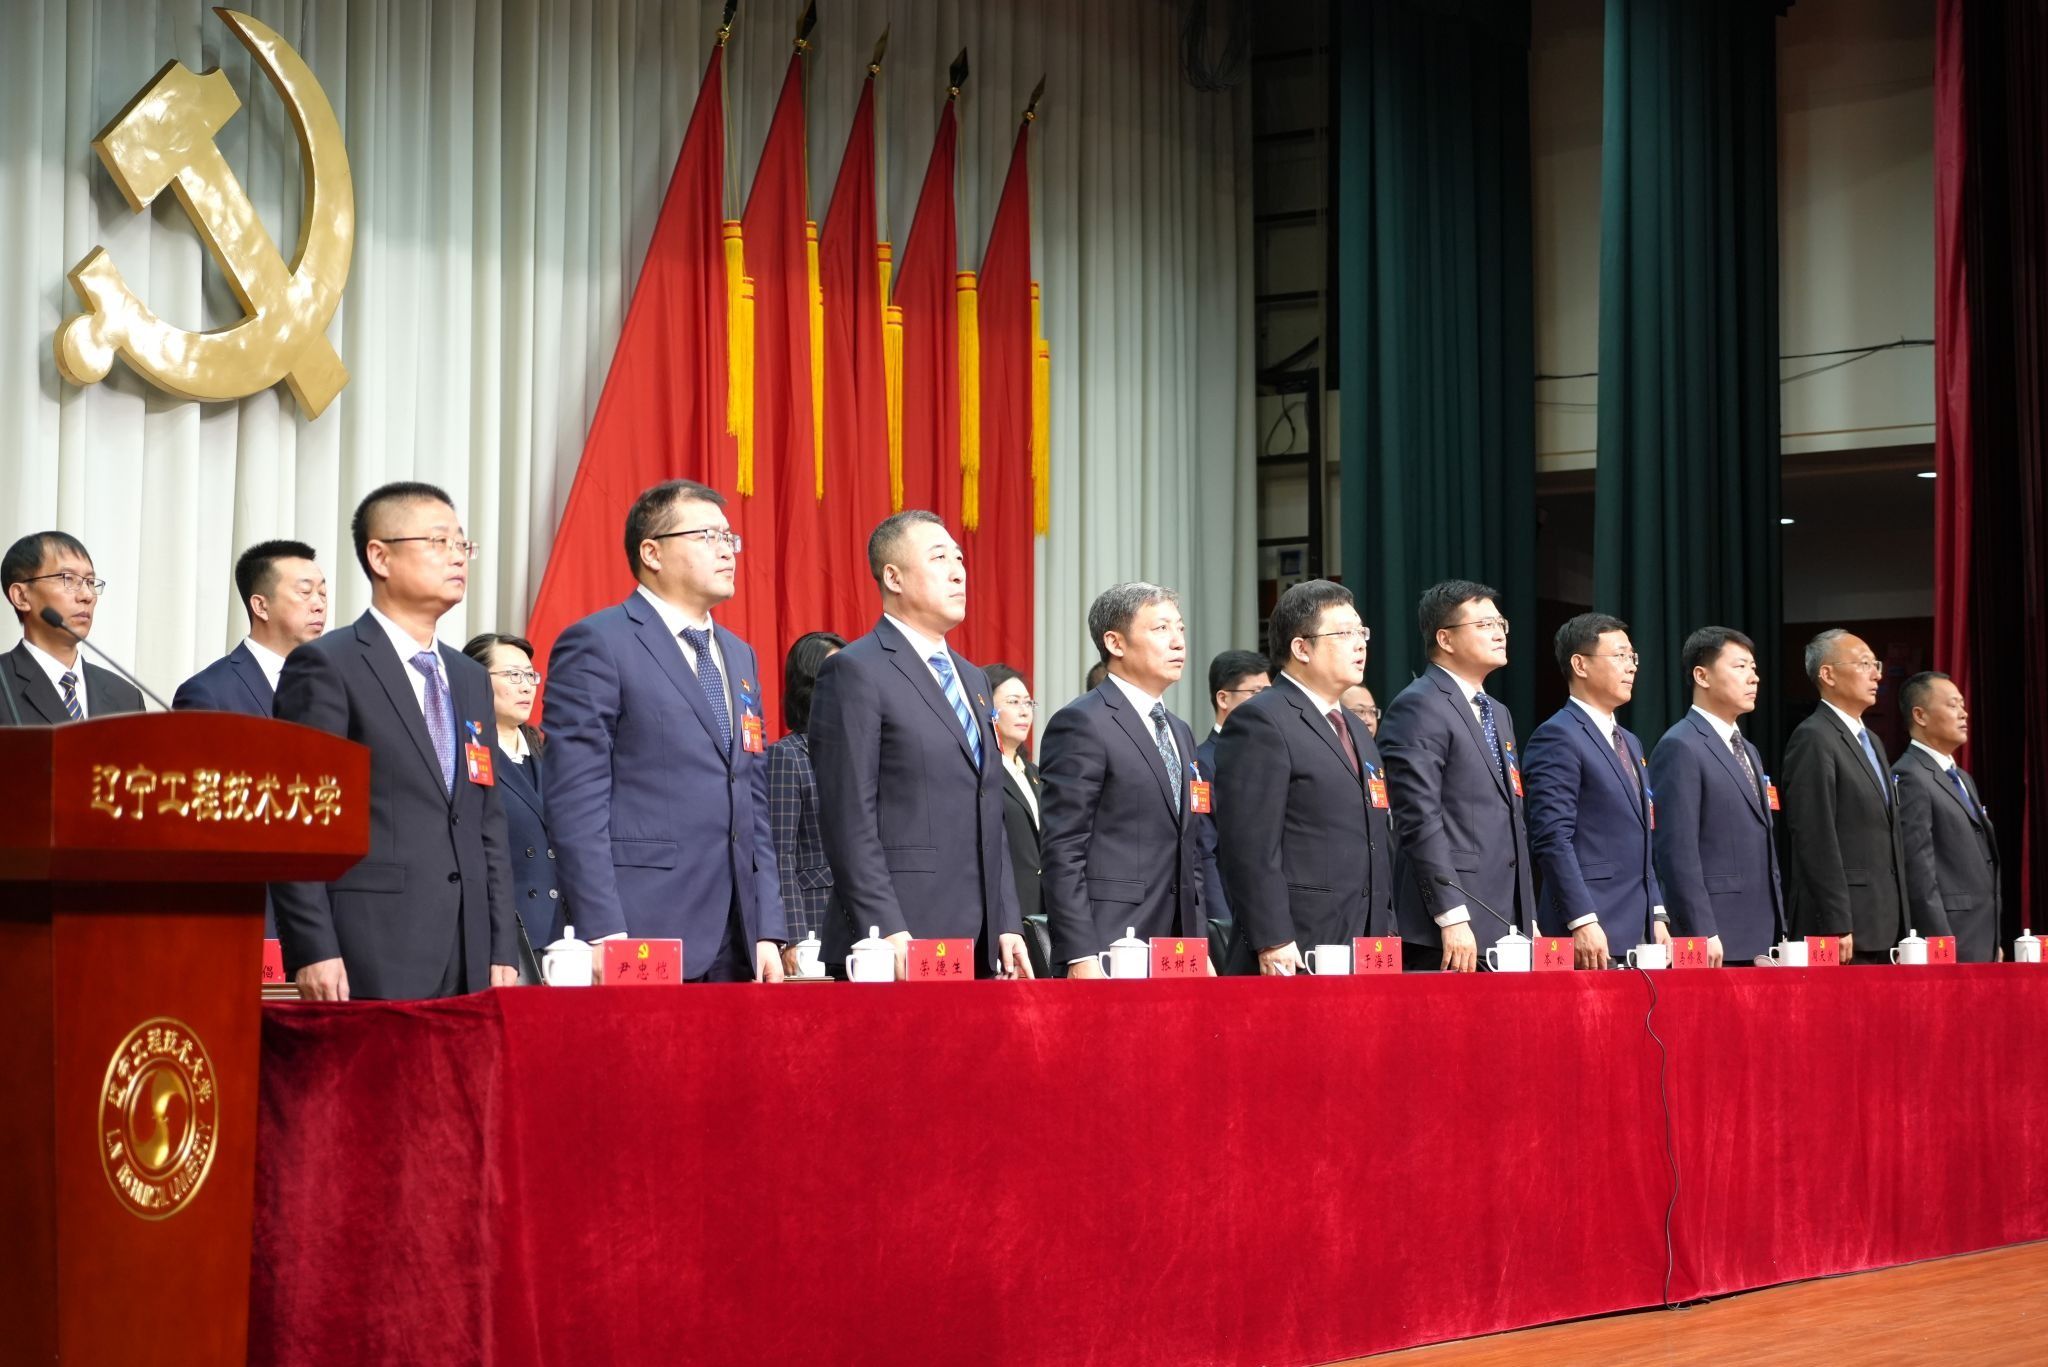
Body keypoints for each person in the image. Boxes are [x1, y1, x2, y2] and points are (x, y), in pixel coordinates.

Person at [269, 482, 517, 1000]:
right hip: (372, 944)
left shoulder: (470, 677)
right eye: (439, 541)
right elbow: (299, 817)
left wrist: (501, 947)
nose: (457, 557)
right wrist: (313, 947)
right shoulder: (328, 664)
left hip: (470, 948)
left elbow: (486, 819)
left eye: (462, 544)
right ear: (380, 556)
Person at [545, 480, 786, 983]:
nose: (727, 550)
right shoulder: (599, 643)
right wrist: (601, 930)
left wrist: (767, 926)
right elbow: (576, 798)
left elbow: (752, 798)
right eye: (707, 536)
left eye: (729, 538)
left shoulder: (739, 655)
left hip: (738, 935)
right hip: (640, 924)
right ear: (651, 553)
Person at [808, 510, 1031, 979]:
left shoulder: (973, 679)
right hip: (895, 940)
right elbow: (848, 817)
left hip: (980, 941)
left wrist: (1007, 920)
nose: (958, 572)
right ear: (893, 577)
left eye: (959, 558)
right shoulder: (856, 670)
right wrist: (884, 927)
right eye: (939, 557)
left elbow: (989, 808)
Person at [1215, 579, 1394, 974]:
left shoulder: (1355, 728)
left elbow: (1376, 838)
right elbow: (1249, 847)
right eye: (1344, 633)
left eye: (1361, 632)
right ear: (1301, 648)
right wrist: (1273, 938)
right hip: (1297, 944)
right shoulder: (1261, 719)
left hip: (1368, 940)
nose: (1359, 644)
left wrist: (1386, 924)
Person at [1039, 584, 1208, 976]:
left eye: (1180, 628)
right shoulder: (1082, 722)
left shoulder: (1179, 731)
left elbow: (1190, 848)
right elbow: (1063, 848)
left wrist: (1200, 946)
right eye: (1161, 628)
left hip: (1179, 945)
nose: (1178, 641)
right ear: (1115, 642)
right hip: (1111, 941)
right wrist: (1080, 953)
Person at [1379, 579, 1535, 971]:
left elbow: (1511, 816)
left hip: (1505, 918)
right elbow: (1418, 816)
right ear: (1445, 639)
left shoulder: (1497, 711)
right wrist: (1451, 914)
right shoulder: (1419, 705)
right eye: (1484, 624)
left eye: (1500, 623)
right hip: (1449, 924)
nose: (1499, 633)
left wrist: (1527, 914)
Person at [1523, 613, 1669, 970]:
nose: (1631, 666)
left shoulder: (1630, 742)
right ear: (1580, 664)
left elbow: (1642, 837)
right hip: (1590, 931)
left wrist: (1657, 913)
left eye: (1632, 657)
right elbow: (1552, 838)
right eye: (1619, 656)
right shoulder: (1557, 735)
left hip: (1640, 931)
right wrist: (1581, 919)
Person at [1645, 626, 1783, 967]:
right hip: (1715, 935)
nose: (1753, 678)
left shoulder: (1748, 749)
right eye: (1740, 666)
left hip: (1761, 931)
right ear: (1702, 676)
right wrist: (1702, 930)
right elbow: (1677, 851)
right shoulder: (1680, 745)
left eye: (1753, 668)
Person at [1782, 629, 1907, 963]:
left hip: (1884, 921)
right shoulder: (1813, 737)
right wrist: (1836, 920)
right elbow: (1814, 835)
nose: (1877, 675)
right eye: (1864, 664)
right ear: (1828, 674)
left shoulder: (1872, 741)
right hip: (1843, 926)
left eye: (1876, 665)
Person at [462, 632, 559, 969]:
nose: (526, 686)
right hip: (501, 936)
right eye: (513, 675)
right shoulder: (464, 753)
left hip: (561, 935)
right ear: (476, 680)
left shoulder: (550, 754)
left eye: (530, 676)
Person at [1892, 671, 2001, 962]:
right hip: (1950, 939)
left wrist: (1993, 940)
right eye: (1952, 705)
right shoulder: (1910, 775)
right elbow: (1918, 869)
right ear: (1920, 715)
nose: (1964, 713)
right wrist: (1941, 943)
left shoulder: (1962, 778)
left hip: (1981, 935)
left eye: (1962, 704)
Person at [1, 531, 142, 723]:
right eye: (68, 579)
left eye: (90, 582)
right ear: (22, 597)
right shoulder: (4, 683)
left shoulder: (126, 698)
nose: (87, 595)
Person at [767, 631, 846, 975]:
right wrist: (793, 936)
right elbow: (779, 853)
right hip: (814, 920)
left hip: (863, 920)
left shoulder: (861, 754)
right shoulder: (787, 756)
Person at [174, 540, 328, 715]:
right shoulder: (208, 694)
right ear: (261, 606)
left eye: (323, 593)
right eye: (305, 592)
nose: (319, 605)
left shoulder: (332, 684)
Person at [1196, 649, 1270, 962]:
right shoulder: (1203, 762)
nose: (1267, 703)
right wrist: (1220, 922)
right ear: (1223, 698)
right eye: (1256, 693)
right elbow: (1205, 850)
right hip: (1231, 914)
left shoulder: (1272, 757)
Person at [986, 662, 1050, 977]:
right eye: (1013, 702)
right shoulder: (982, 773)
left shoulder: (1035, 773)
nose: (1025, 711)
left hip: (1043, 913)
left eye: (1028, 703)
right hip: (1005, 915)